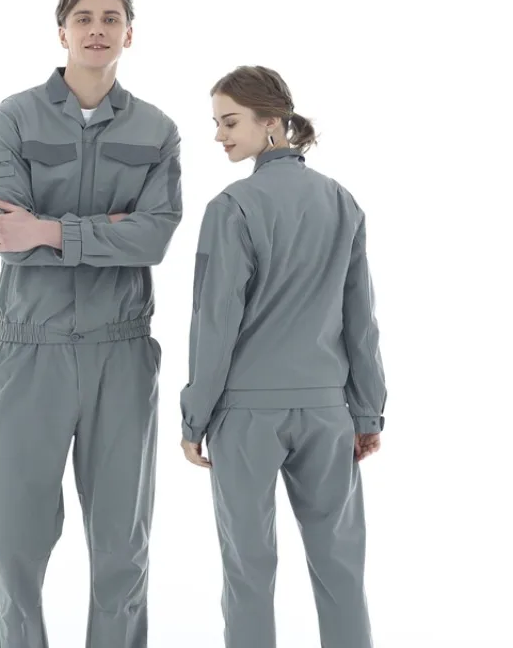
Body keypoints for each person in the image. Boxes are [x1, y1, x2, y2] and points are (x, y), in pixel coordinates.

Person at [0, 0, 182, 648]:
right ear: (62, 31)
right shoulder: (12, 118)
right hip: (28, 350)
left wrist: (49, 228)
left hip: (121, 352)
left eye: (111, 18)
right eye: (85, 18)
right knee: (13, 542)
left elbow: (154, 239)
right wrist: (107, 231)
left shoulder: (157, 130)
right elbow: (10, 240)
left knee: (123, 548)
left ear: (130, 33)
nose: (98, 29)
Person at [179, 65, 386, 648]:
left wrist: (194, 418)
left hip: (246, 416)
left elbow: (213, 326)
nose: (218, 135)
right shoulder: (341, 202)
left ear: (272, 122)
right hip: (327, 412)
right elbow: (361, 322)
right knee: (341, 570)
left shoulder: (232, 207)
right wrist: (367, 412)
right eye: (216, 123)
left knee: (247, 573)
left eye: (229, 122)